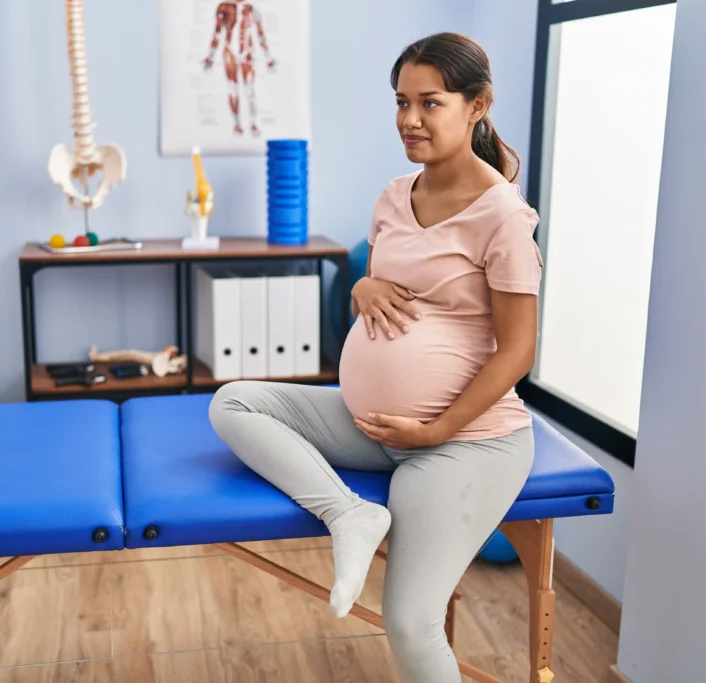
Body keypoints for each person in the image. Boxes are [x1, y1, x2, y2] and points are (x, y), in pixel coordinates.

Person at [209, 31, 543, 683]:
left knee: (411, 622)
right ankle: (349, 513)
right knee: (235, 402)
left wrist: (437, 428)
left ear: (477, 105)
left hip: (462, 441)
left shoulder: (503, 216)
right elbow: (384, 284)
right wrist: (362, 284)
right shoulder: (393, 195)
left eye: (430, 103)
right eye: (400, 102)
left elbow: (519, 349)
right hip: (374, 429)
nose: (409, 120)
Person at [202, 0, 277, 137]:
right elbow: (217, 32)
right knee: (233, 88)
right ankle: (237, 124)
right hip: (230, 50)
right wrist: (211, 56)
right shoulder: (223, 7)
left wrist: (268, 57)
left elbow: (260, 33)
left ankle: (253, 123)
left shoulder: (252, 8)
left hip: (246, 51)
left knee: (249, 89)